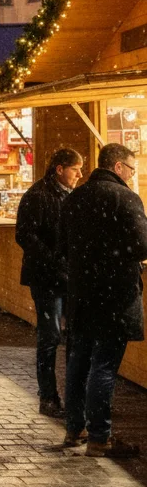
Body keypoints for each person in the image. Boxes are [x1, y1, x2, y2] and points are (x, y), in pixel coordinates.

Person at [59, 143, 147, 457]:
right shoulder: (126, 198)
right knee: (105, 366)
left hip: (82, 293)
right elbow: (142, 245)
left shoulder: (75, 198)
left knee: (79, 361)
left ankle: (74, 427)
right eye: (132, 170)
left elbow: (62, 244)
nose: (133, 176)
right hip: (115, 295)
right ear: (119, 167)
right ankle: (99, 437)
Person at [15, 148, 83, 417]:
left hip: (67, 276)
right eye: (75, 169)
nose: (79, 174)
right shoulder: (38, 196)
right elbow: (25, 235)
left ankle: (71, 396)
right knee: (50, 337)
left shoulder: (70, 195)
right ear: (59, 169)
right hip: (46, 278)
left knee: (72, 337)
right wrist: (54, 260)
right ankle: (48, 396)